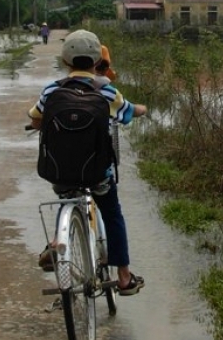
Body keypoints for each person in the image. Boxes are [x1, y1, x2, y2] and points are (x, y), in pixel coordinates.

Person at [27, 29, 147, 296]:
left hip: (60, 171)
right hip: (97, 173)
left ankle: (59, 241)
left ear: (65, 61)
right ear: (97, 61)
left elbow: (35, 118)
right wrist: (142, 109)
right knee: (112, 213)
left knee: (67, 195)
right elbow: (128, 112)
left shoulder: (52, 90)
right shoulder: (106, 91)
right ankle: (125, 277)